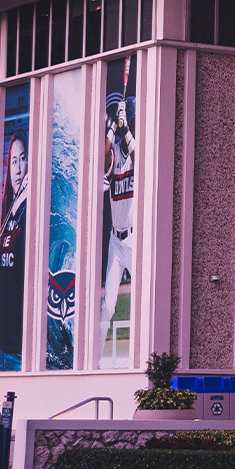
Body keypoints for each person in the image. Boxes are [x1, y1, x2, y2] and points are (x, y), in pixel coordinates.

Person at [100, 89, 137, 367]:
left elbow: (137, 155)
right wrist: (112, 127)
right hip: (115, 241)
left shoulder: (135, 154)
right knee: (108, 306)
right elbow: (104, 156)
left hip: (135, 240)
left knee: (140, 301)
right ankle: (96, 359)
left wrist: (124, 130)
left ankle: (140, 358)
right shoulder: (113, 159)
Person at [0, 130, 29, 369]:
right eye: (14, 161)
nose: (18, 168)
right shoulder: (5, 211)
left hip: (22, 347)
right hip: (1, 345)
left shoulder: (28, 207)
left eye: (24, 158)